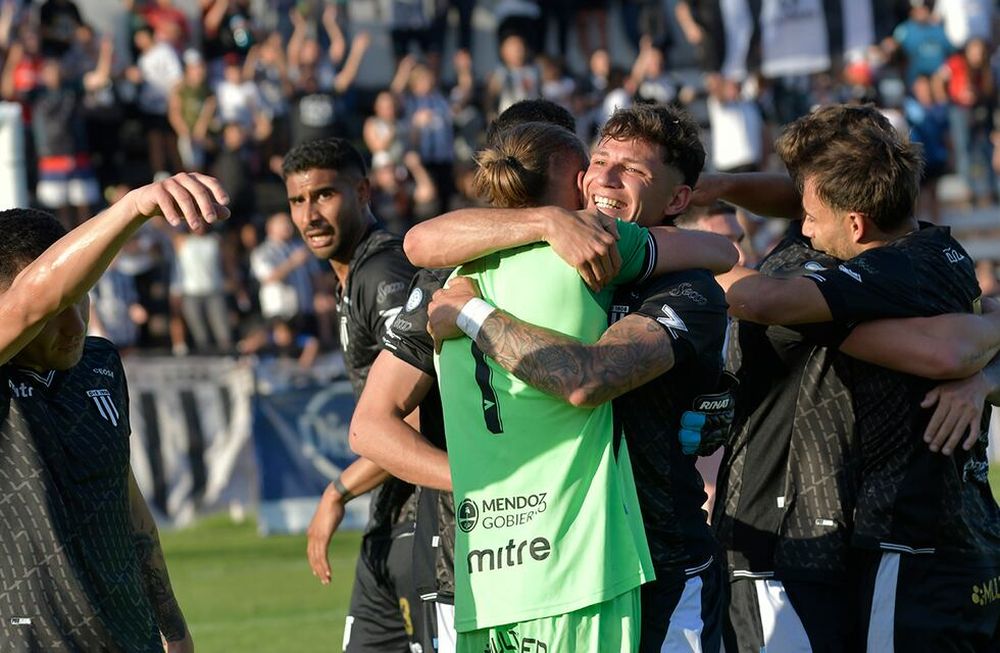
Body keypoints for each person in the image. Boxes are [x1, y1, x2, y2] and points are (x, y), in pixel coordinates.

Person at [409, 104, 737, 652]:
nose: (605, 178)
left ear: (679, 199)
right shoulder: (517, 251)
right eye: (600, 160)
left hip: (663, 571)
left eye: (632, 170)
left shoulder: (687, 288)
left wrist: (470, 314)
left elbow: (591, 380)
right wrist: (545, 221)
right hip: (543, 567)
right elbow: (419, 242)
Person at [714, 104, 1000, 651]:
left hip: (911, 547)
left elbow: (949, 351)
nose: (801, 226)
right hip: (961, 535)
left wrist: (680, 250)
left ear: (855, 222)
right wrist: (716, 186)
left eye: (811, 214)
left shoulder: (882, 273)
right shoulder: (935, 247)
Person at [0, 172, 228, 651]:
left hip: (129, 640)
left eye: (81, 296)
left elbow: (127, 501)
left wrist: (174, 629)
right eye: (54, 309)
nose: (74, 321)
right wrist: (133, 207)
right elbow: (29, 300)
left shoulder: (100, 363)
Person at [288, 138, 425, 653]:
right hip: (391, 518)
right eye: (298, 201)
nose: (310, 214)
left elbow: (410, 417)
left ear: (362, 191)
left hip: (427, 520)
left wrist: (337, 491)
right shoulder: (351, 278)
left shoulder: (382, 274)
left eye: (324, 195)